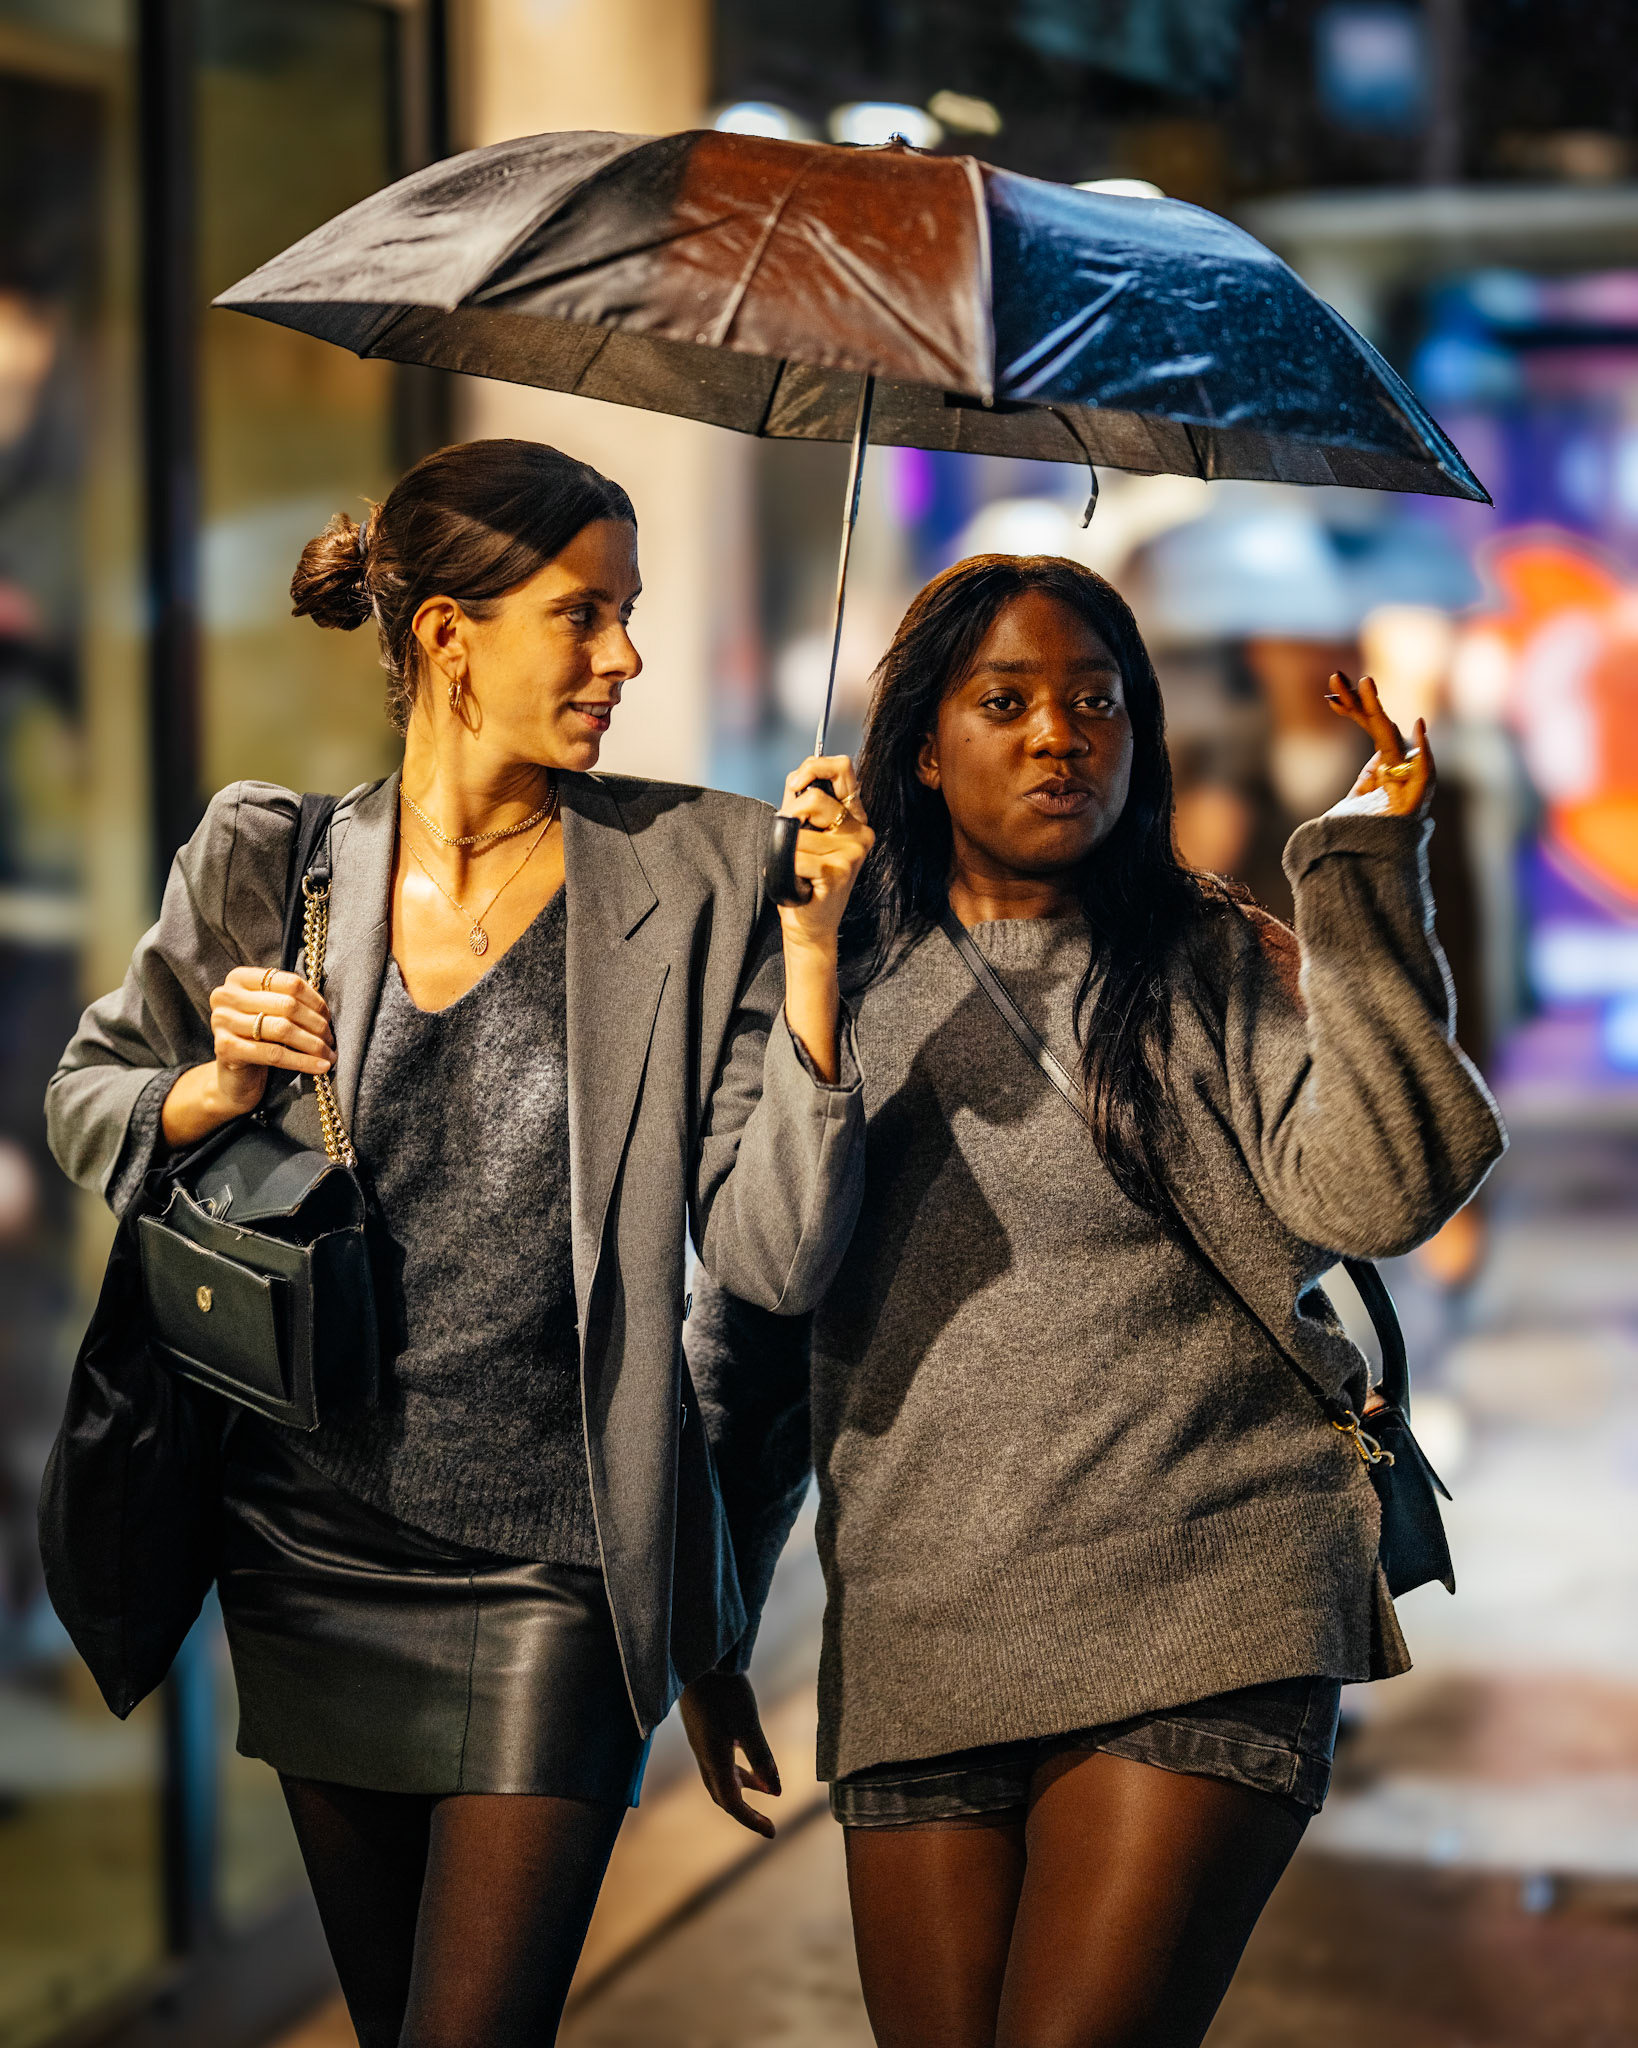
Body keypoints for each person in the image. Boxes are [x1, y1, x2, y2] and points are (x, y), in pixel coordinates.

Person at [45, 438, 873, 2048]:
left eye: (626, 614)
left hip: (558, 1563)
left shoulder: (703, 875)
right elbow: (88, 1100)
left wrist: (815, 968)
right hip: (304, 1547)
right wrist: (211, 1088)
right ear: (446, 637)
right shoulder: (271, 859)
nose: (623, 656)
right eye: (583, 615)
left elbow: (774, 1259)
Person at [682, 555, 1505, 2048]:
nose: (1060, 732)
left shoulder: (1203, 959)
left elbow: (1383, 1189)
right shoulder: (824, 976)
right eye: (1006, 702)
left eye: (1096, 699)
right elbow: (757, 1307)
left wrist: (1364, 879)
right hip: (927, 1623)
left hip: (1207, 1594)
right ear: (922, 747)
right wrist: (711, 1622)